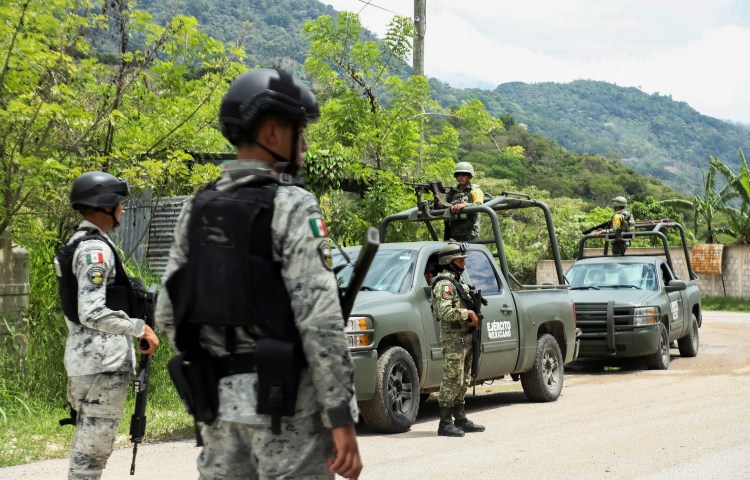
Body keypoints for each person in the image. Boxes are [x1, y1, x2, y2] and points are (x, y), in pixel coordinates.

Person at [154, 68, 362, 479]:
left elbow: (165, 314)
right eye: (299, 131)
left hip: (217, 412)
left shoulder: (197, 207)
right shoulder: (292, 205)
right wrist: (341, 416)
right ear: (271, 133)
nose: (303, 145)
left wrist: (215, 363)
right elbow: (320, 324)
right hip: (287, 412)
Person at [55, 171, 159, 480]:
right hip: (102, 365)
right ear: (105, 207)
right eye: (119, 203)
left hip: (86, 362)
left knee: (87, 448)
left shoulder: (79, 242)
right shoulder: (95, 250)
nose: (123, 209)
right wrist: (140, 328)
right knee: (91, 456)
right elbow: (92, 311)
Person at [432, 242, 485, 437]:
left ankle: (460, 418)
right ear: (449, 261)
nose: (463, 263)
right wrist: (467, 313)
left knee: (464, 378)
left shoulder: (459, 281)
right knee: (452, 378)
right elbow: (443, 310)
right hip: (453, 339)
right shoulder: (444, 284)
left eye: (463, 259)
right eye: (460, 259)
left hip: (465, 337)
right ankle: (445, 423)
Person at [444, 162, 484, 241]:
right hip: (453, 234)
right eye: (458, 174)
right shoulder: (452, 192)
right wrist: (437, 198)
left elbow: (479, 205)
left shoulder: (475, 191)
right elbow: (443, 206)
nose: (460, 177)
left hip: (470, 235)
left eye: (463, 174)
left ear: (469, 176)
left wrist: (465, 205)